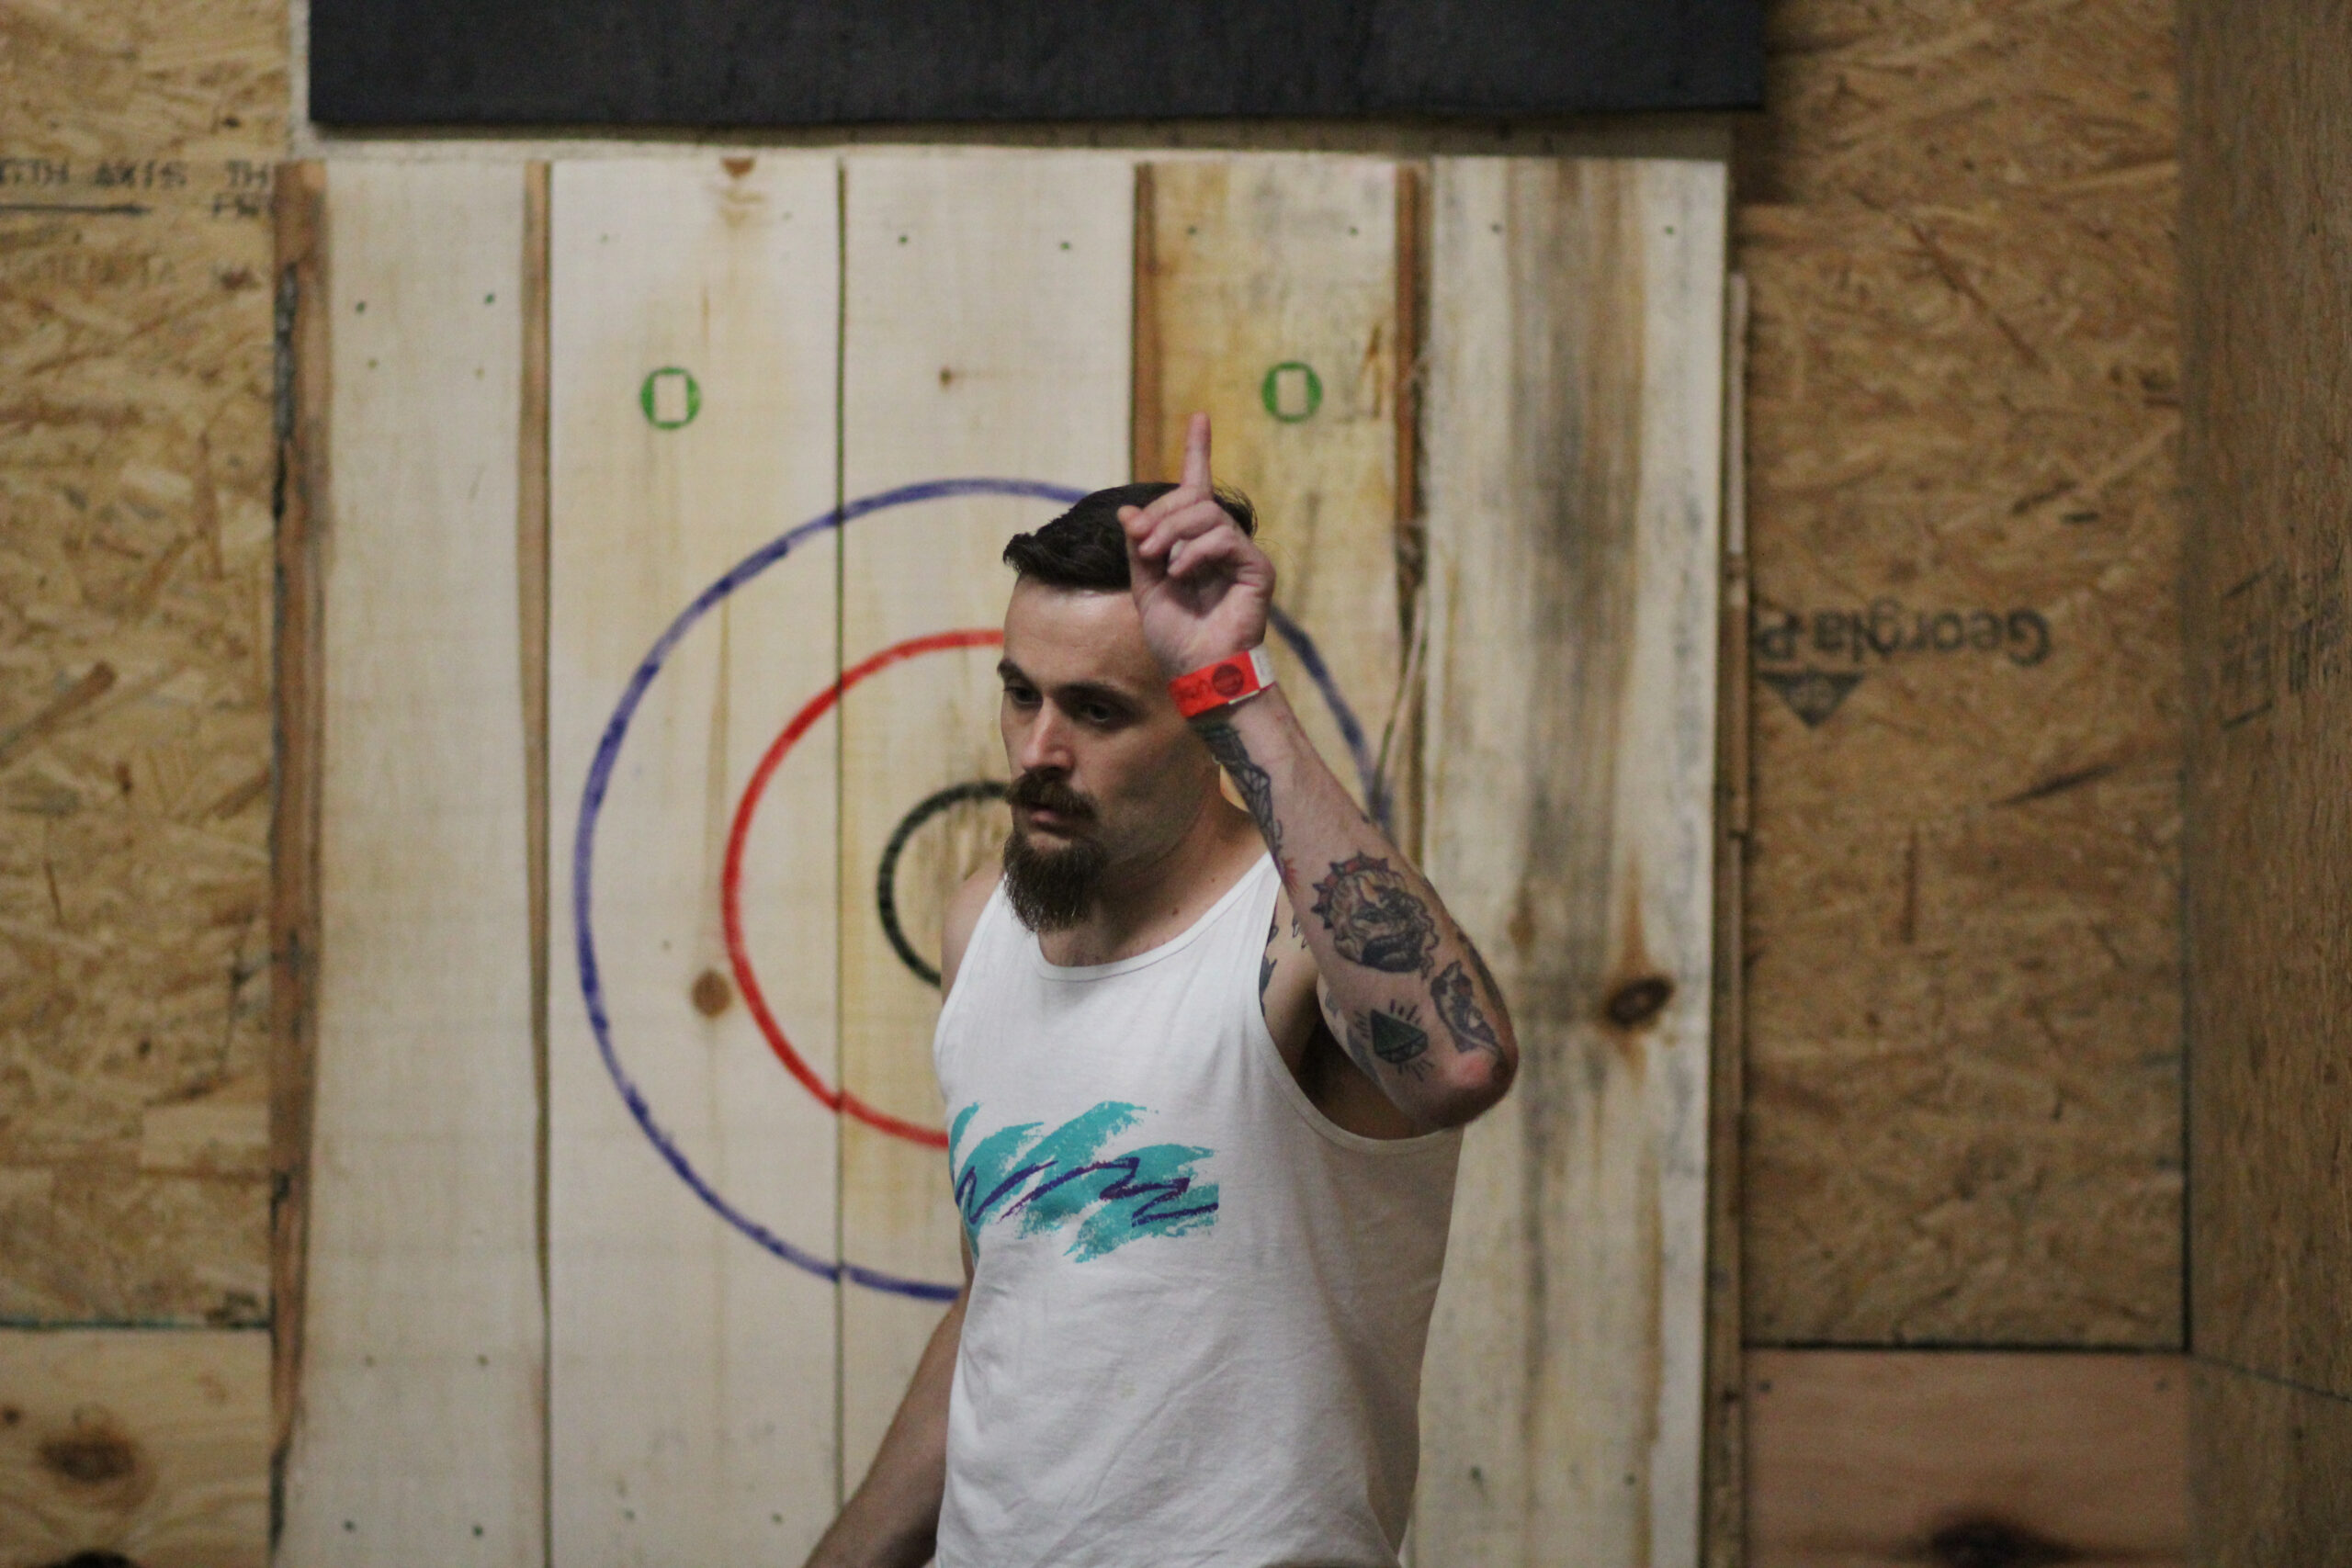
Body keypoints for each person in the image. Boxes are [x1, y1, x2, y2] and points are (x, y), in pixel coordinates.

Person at [804, 412, 1519, 1568]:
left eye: (1096, 711)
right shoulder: (981, 926)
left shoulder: (1289, 941)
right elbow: (1009, 1294)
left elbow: (1459, 1064)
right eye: (1021, 695)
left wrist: (1240, 691)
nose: (1038, 750)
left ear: (1200, 719)